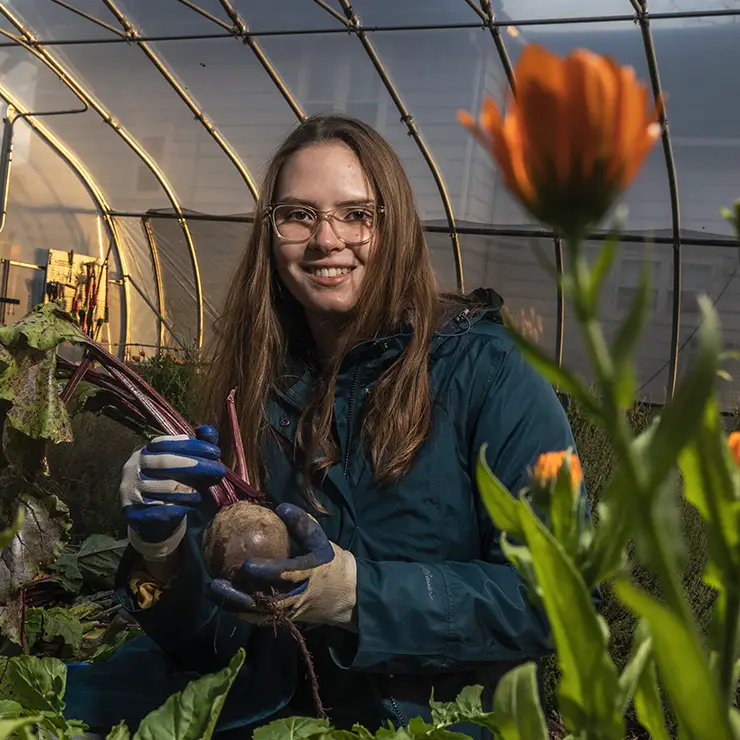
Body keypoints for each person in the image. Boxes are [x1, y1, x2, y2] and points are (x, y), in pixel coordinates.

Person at [111, 114, 588, 738]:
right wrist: (160, 555)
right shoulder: (254, 387)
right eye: (298, 214)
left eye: (356, 214)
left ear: (393, 229)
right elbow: (209, 645)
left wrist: (358, 593)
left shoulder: (490, 371)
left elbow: (558, 595)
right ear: (270, 231)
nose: (325, 239)